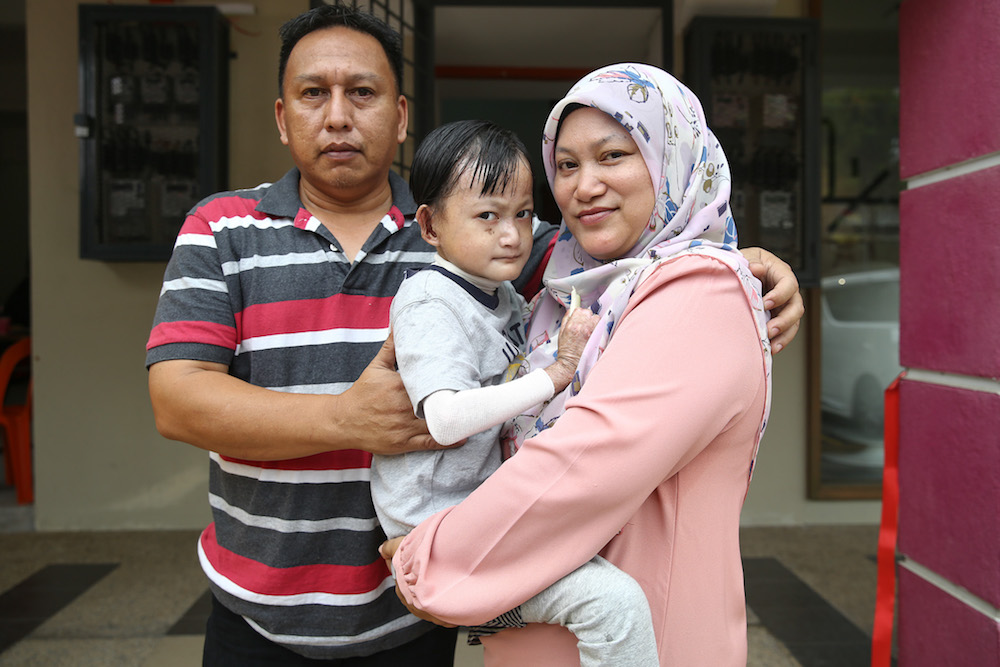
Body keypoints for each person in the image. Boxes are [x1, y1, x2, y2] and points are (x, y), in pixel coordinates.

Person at [145, 3, 802, 664]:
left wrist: (749, 266)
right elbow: (176, 399)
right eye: (314, 93)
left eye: (362, 93)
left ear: (400, 116)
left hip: (415, 618)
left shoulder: (480, 234)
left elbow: (621, 253)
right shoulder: (222, 229)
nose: (338, 115)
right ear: (283, 117)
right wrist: (345, 420)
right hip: (258, 611)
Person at [385, 63, 774, 666]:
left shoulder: (701, 291)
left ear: (672, 156)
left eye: (613, 155)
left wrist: (429, 559)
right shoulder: (569, 293)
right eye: (566, 165)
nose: (584, 186)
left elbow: (578, 467)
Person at [371, 119, 658, 667]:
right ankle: (483, 606)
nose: (511, 235)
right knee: (615, 605)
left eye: (523, 214)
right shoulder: (430, 300)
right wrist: (553, 376)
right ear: (429, 226)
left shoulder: (499, 295)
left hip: (478, 522)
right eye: (487, 216)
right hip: (440, 536)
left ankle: (491, 610)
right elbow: (446, 419)